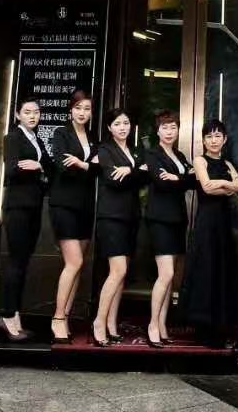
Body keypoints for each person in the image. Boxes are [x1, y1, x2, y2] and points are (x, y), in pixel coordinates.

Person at [179, 118, 238, 348]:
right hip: (207, 222)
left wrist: (225, 185)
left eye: (218, 136)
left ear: (225, 139)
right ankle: (203, 326)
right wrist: (227, 185)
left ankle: (221, 325)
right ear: (204, 140)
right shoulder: (200, 160)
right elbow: (206, 187)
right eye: (209, 136)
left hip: (224, 223)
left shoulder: (227, 163)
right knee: (206, 270)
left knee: (223, 270)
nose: (214, 140)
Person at [0, 99, 49, 342]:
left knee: (23, 261)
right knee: (16, 262)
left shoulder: (36, 139)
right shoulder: (13, 138)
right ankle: (8, 314)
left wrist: (39, 166)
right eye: (27, 112)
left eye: (36, 112)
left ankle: (14, 314)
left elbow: (49, 166)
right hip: (17, 206)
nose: (32, 116)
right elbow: (11, 170)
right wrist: (37, 168)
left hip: (34, 206)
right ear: (18, 115)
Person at [47, 91, 97, 343]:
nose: (82, 113)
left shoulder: (93, 138)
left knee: (79, 264)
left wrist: (81, 163)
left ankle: (66, 316)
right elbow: (62, 165)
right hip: (63, 204)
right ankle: (57, 317)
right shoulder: (61, 134)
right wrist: (86, 166)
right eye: (78, 108)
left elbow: (99, 169)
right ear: (71, 110)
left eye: (86, 108)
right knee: (74, 262)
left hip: (85, 206)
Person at [92, 107, 144, 345]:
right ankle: (99, 321)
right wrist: (135, 172)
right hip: (111, 217)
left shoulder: (135, 150)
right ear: (109, 128)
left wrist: (130, 171)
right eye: (117, 124)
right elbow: (113, 180)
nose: (123, 128)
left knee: (121, 275)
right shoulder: (105, 150)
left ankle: (112, 323)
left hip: (131, 216)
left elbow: (147, 175)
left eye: (126, 123)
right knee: (118, 270)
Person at [144, 110, 193, 347]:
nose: (169, 131)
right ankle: (153, 324)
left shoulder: (180, 155)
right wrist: (180, 179)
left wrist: (177, 179)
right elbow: (161, 182)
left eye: (173, 127)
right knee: (166, 274)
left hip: (177, 219)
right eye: (165, 127)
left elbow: (193, 180)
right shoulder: (152, 154)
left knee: (171, 276)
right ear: (158, 131)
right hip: (160, 219)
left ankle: (162, 324)